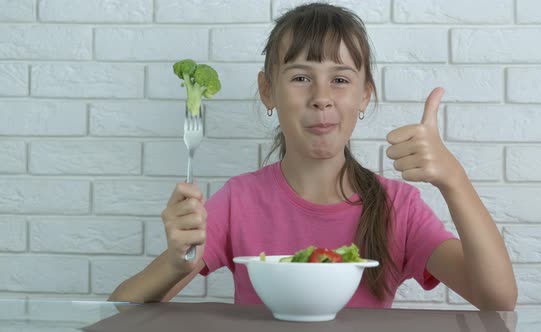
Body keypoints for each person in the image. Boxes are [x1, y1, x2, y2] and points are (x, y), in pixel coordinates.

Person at [109, 2, 517, 310]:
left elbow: (497, 299)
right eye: (301, 78)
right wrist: (176, 265)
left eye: (340, 80)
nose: (321, 98)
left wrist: (453, 180)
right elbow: (117, 311)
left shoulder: (399, 207)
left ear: (364, 95)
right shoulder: (238, 201)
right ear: (268, 91)